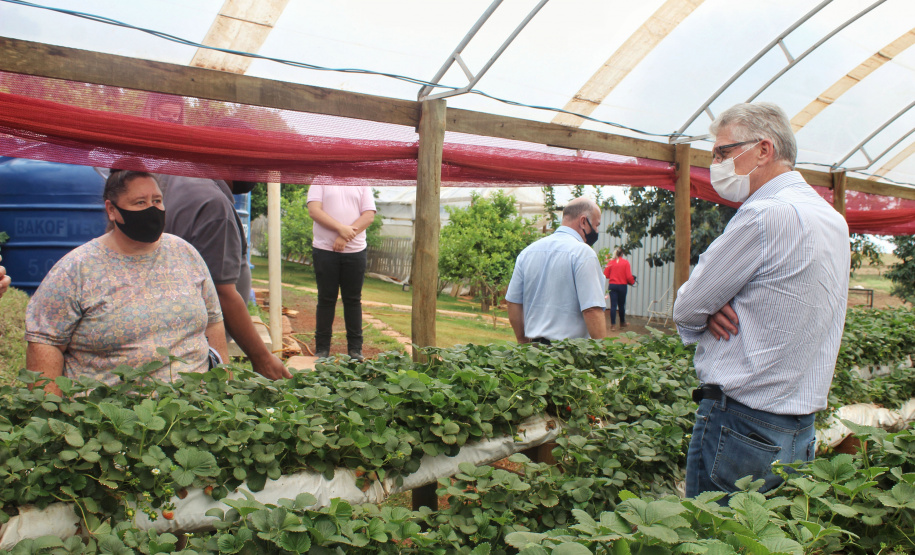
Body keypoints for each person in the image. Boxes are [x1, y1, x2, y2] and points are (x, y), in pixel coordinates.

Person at [673, 102, 849, 500]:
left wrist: (709, 307)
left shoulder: (764, 216)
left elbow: (687, 307)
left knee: (716, 536)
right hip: (798, 426)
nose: (715, 163)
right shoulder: (831, 219)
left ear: (764, 150)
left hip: (741, 423)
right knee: (770, 536)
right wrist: (713, 304)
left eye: (723, 152)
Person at [25, 170, 228, 394]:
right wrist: (52, 412)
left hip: (192, 415)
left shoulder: (185, 253)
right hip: (109, 418)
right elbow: (45, 342)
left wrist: (223, 388)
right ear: (112, 210)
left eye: (157, 201)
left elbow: (213, 320)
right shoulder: (76, 269)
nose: (152, 209)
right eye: (140, 202)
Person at [157, 173, 291, 380]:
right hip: (196, 348)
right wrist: (262, 358)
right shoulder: (214, 205)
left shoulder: (174, 178)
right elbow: (222, 292)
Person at [505, 197, 607, 344]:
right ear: (583, 221)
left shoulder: (528, 252)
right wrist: (604, 354)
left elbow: (513, 302)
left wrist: (523, 343)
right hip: (569, 355)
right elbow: (592, 310)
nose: (596, 231)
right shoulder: (583, 253)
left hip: (535, 351)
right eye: (596, 225)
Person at [306, 185, 377, 360]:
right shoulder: (320, 179)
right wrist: (340, 228)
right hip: (324, 250)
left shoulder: (362, 182)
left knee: (353, 300)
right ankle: (322, 349)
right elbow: (314, 211)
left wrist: (345, 236)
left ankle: (355, 350)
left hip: (355, 252)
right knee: (326, 299)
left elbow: (368, 215)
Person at [603, 247, 635, 331]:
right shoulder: (625, 263)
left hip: (612, 285)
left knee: (613, 305)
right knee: (621, 305)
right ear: (622, 254)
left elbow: (605, 274)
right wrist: (632, 281)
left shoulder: (611, 263)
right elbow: (628, 276)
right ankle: (622, 323)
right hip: (622, 285)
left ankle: (613, 325)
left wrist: (613, 275)